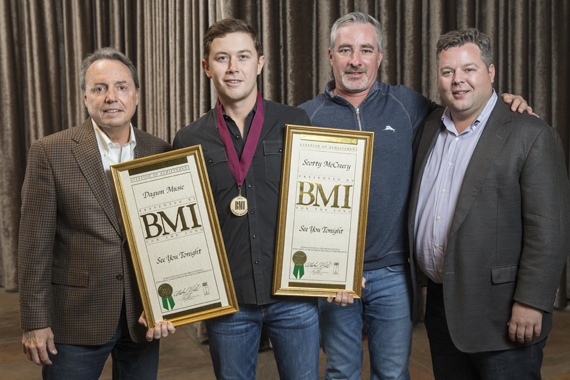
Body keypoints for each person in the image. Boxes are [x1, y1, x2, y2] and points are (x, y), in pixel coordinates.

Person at [298, 12, 532, 380]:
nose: (355, 60)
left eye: (366, 50)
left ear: (380, 56)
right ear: (331, 56)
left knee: (393, 373)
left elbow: (467, 107)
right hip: (333, 275)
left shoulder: (408, 105)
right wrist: (321, 271)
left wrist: (504, 102)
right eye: (345, 50)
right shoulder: (304, 118)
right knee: (340, 371)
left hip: (393, 273)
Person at [409, 28, 570, 379]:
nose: (458, 81)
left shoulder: (531, 134)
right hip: (442, 307)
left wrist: (532, 301)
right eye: (448, 72)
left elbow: (550, 229)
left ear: (491, 72)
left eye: (469, 69)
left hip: (505, 313)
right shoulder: (428, 128)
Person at [173, 19, 319, 380]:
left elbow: (318, 205)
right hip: (229, 302)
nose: (233, 67)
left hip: (294, 296)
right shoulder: (188, 139)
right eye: (222, 58)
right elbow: (182, 230)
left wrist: (336, 269)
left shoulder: (295, 122)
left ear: (261, 62)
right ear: (206, 67)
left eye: (243, 56)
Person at [18, 47, 174, 380]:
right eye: (99, 88)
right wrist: (34, 321)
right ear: (86, 98)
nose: (111, 97)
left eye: (121, 87)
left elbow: (169, 238)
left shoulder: (159, 151)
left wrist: (170, 299)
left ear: (136, 96)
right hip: (75, 320)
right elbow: (34, 247)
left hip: (143, 317)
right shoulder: (49, 152)